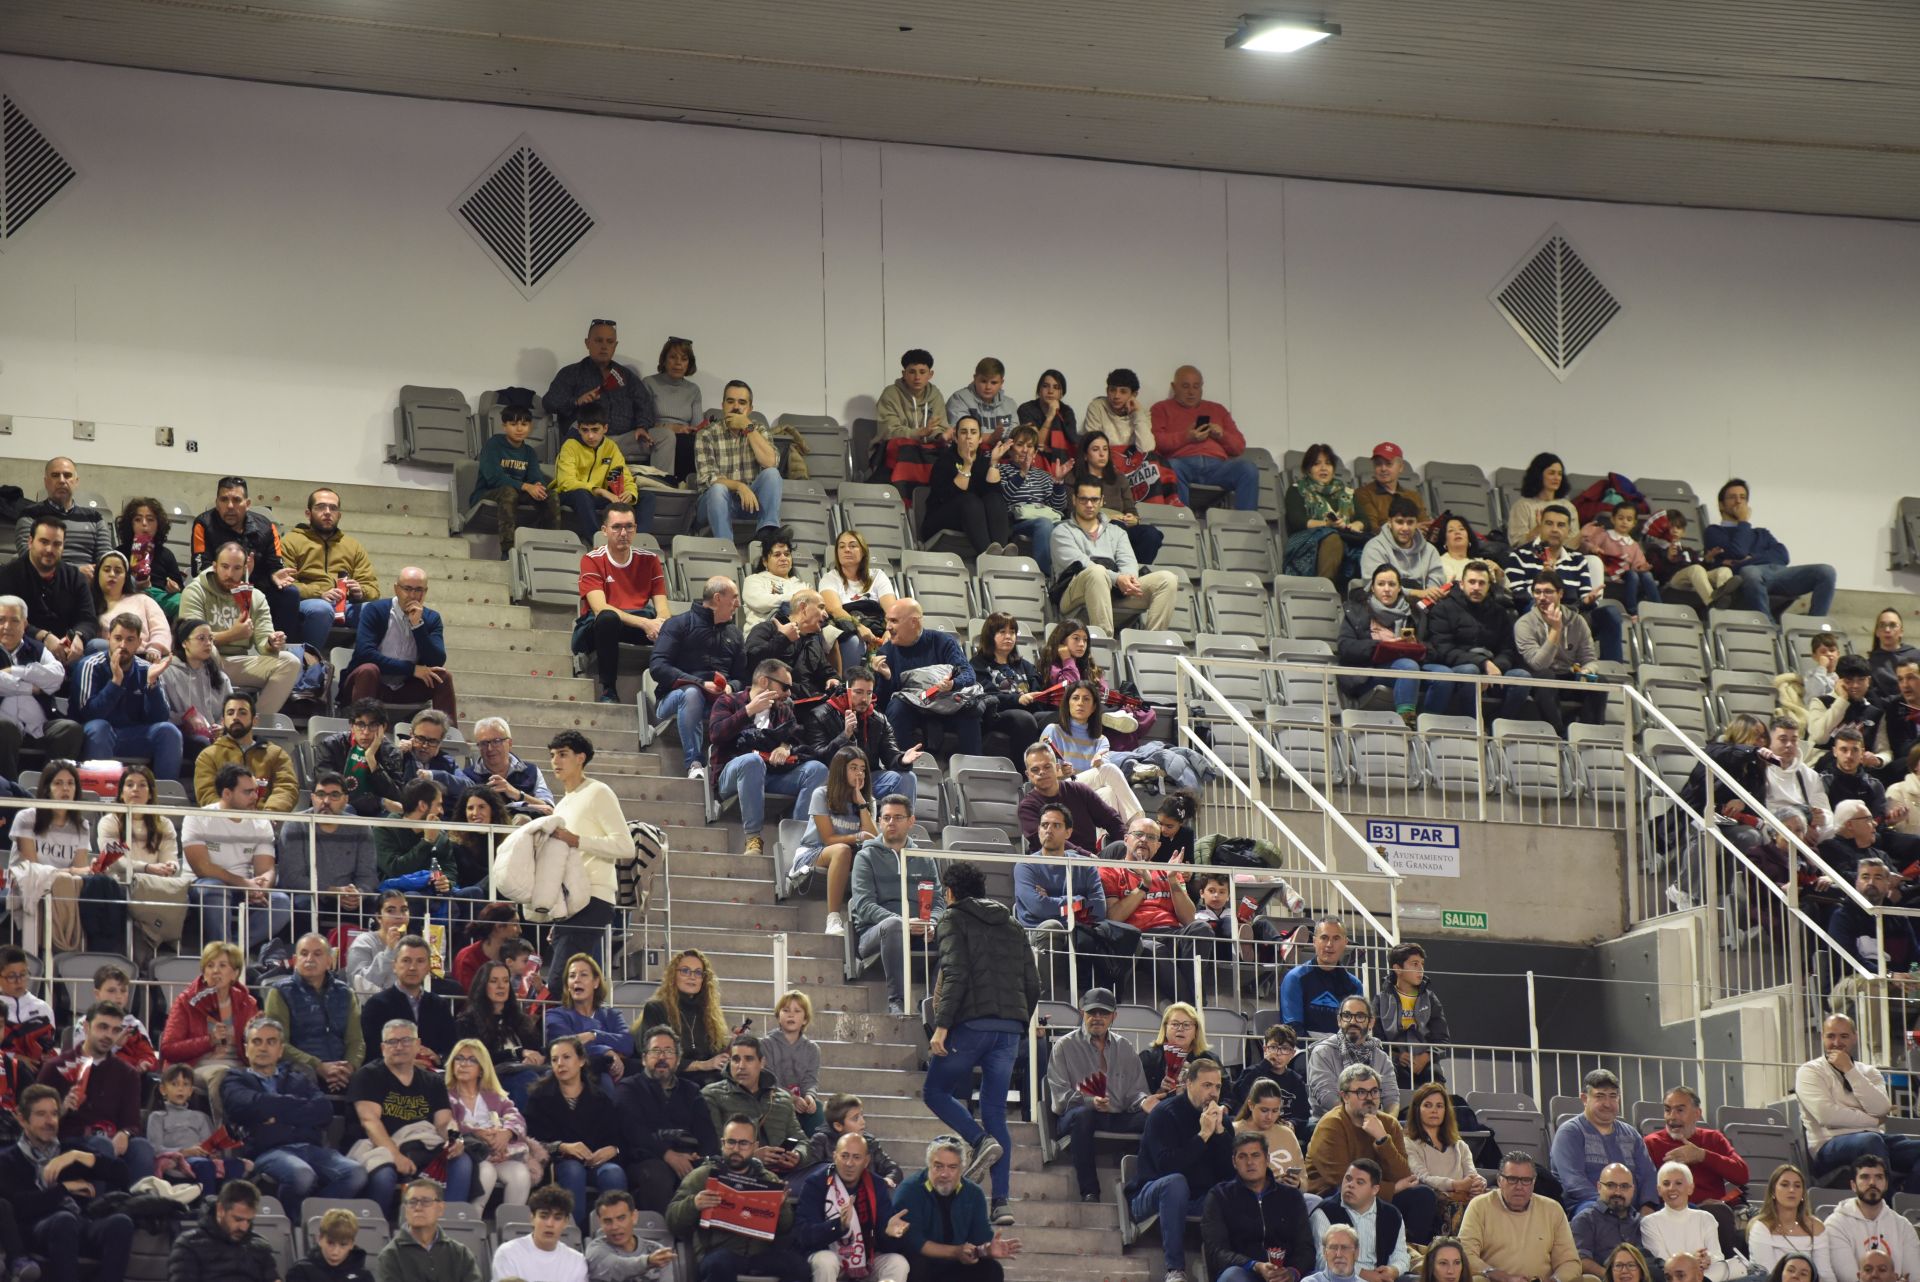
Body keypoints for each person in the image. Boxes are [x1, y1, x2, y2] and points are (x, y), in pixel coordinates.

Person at [923, 860, 1040, 1226]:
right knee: (995, 1111)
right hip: (1009, 1030)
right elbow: (1033, 983)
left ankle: (976, 1140)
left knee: (935, 1091)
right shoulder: (1013, 924)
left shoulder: (952, 918)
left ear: (950, 892)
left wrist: (942, 1027)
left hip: (971, 1026)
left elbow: (955, 972)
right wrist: (1018, 1020)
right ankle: (1001, 1203)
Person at [221, 1014, 368, 1215]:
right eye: (257, 1041)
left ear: (280, 1050)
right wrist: (297, 1107)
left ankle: (314, 1218)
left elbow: (323, 1111)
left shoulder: (298, 1077)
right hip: (268, 1152)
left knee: (356, 1173)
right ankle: (294, 1224)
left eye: (271, 1042)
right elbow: (245, 1105)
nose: (263, 1048)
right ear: (246, 1048)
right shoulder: (235, 1079)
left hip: (310, 1148)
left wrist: (275, 1115)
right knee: (302, 1174)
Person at [0, 1085, 132, 1281]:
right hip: (37, 1229)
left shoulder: (69, 1152)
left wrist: (78, 1156)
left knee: (121, 1223)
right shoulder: (8, 1159)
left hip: (78, 1224)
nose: (49, 1121)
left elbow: (122, 1174)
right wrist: (64, 1189)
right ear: (22, 1120)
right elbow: (19, 1206)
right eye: (41, 1114)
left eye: (54, 1114)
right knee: (63, 1220)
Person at [1127, 1055, 1238, 1282]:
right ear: (1189, 1084)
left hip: (1199, 1198)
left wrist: (1219, 1134)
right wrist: (1202, 1135)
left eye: (1217, 1086)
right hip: (1151, 1193)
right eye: (1207, 1085)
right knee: (1176, 1182)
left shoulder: (1221, 1121)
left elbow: (1229, 1173)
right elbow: (1166, 1166)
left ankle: (1229, 1269)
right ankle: (1174, 1269)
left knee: (1236, 1188)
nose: (1213, 1093)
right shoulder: (1165, 1114)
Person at [348, 1017, 474, 1212]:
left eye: (406, 1040)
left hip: (422, 1147)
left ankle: (447, 1226)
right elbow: (370, 1122)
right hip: (379, 1147)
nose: (399, 1047)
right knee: (384, 1176)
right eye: (392, 1042)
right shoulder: (368, 1076)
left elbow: (443, 1122)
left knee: (461, 1160)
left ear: (418, 1045)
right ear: (383, 1048)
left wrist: (455, 1139)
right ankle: (375, 1229)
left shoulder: (433, 1081)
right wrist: (396, 1155)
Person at [709, 657, 830, 860]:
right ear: (765, 681)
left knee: (817, 769)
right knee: (752, 761)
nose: (789, 693)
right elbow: (716, 735)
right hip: (732, 773)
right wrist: (748, 711)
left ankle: (797, 843)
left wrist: (786, 747)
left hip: (772, 775)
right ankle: (753, 838)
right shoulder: (729, 701)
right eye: (785, 687)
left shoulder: (783, 710)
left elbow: (796, 738)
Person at [1014, 799, 1140, 991]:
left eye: (1056, 825)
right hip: (1037, 934)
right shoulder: (1025, 865)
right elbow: (1037, 907)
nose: (1049, 830)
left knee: (1117, 934)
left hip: (1080, 933)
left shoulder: (1084, 864)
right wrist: (1079, 901)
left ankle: (1095, 1000)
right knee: (1053, 926)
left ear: (1068, 832)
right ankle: (1045, 998)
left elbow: (1098, 910)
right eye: (1044, 825)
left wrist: (1054, 902)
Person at [1305, 1064, 1438, 1245]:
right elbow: (1341, 1179)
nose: (1369, 1098)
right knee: (1347, 1195)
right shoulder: (1331, 1125)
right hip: (1336, 1194)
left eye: (1374, 1091)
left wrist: (1382, 1139)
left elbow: (1404, 1175)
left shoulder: (1388, 1124)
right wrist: (1393, 1189)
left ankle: (1409, 1252)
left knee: (1422, 1195)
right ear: (1344, 1096)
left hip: (1376, 1194)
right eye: (1361, 1092)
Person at [667, 1115, 804, 1282]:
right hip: (717, 1253)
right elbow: (672, 1220)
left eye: (743, 1143)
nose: (736, 1149)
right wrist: (694, 1204)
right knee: (720, 1262)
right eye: (731, 1142)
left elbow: (785, 1229)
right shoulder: (703, 1176)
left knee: (797, 1266)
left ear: (755, 1146)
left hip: (759, 1255)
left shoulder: (769, 1180)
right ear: (722, 1143)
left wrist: (781, 1207)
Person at [175, 539, 303, 717]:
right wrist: (232, 635)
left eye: (236, 568)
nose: (229, 573)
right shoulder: (195, 591)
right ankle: (213, 720)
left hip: (237, 663)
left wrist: (272, 642)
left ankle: (254, 723)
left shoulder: (255, 596)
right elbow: (190, 638)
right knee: (209, 650)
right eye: (225, 566)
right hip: (203, 662)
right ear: (214, 566)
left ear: (244, 569)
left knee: (290, 661)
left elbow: (263, 642)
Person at [1046, 987, 1151, 1202]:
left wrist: (1144, 1103)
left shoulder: (1125, 1047)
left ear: (1114, 1016)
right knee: (1084, 1115)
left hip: (1117, 1116)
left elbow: (1136, 1092)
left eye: (1103, 1013)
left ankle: (1140, 1189)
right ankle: (1090, 1191)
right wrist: (1089, 1101)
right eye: (1092, 1012)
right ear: (1082, 1012)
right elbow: (1059, 1098)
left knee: (1155, 1118)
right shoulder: (1064, 1046)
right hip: (1077, 1116)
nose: (1097, 1018)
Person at [1796, 1012, 1920, 1191]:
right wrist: (1873, 1121)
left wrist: (1849, 1070)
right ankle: (1885, 1205)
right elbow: (1827, 1116)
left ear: (1855, 1038)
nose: (1837, 1043)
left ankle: (1906, 1204)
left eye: (1844, 1036)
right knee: (1870, 1140)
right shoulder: (1809, 1071)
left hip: (1876, 1140)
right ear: (1822, 1037)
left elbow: (1881, 1108)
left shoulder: (1869, 1072)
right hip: (1829, 1147)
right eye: (1831, 1036)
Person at [34, 1002, 156, 1182]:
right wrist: (62, 1109)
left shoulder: (128, 1073)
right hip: (70, 1143)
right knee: (101, 1145)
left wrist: (126, 1133)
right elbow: (34, 1120)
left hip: (111, 1139)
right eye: (103, 1027)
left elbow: (132, 1123)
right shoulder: (55, 1067)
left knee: (143, 1148)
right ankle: (97, 1207)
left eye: (115, 1030)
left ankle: (137, 1206)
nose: (108, 1035)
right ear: (86, 1026)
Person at [184, 762, 294, 953]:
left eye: (256, 791)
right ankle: (224, 951)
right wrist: (244, 883)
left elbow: (266, 869)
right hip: (205, 886)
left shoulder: (261, 823)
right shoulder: (197, 817)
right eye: (248, 792)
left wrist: (261, 888)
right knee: (213, 888)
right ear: (227, 794)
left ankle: (229, 951)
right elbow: (202, 868)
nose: (255, 797)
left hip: (244, 889)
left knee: (282, 902)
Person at [848, 793, 942, 1014]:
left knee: (954, 930)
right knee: (893, 925)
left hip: (919, 930)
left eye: (898, 817)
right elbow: (863, 905)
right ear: (880, 821)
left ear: (911, 821)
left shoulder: (924, 857)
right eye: (886, 817)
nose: (891, 822)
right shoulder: (866, 856)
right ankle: (897, 1002)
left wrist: (932, 923)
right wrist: (904, 922)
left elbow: (937, 901)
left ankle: (931, 1002)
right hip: (875, 933)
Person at [528, 1037, 629, 1233]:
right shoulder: (540, 1097)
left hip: (596, 1162)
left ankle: (614, 1233)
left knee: (613, 1172)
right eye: (555, 1059)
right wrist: (562, 1147)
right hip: (560, 1162)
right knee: (573, 1170)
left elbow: (618, 1139)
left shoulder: (600, 1099)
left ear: (581, 1061)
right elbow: (532, 1140)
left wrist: (612, 1149)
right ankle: (575, 1235)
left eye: (566, 1057)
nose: (560, 1064)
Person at [651, 576, 747, 780]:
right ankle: (694, 763)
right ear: (718, 598)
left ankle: (732, 763)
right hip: (674, 699)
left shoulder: (735, 635)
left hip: (718, 702)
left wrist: (730, 686)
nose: (738, 604)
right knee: (693, 694)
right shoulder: (678, 624)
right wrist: (700, 683)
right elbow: (658, 667)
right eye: (734, 597)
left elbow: (742, 678)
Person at [1051, 478, 1179, 632]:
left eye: (1094, 499)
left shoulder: (1116, 531)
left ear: (1102, 501)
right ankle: (1104, 640)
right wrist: (1117, 579)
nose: (1089, 505)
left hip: (1114, 592)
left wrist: (1129, 579)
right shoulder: (1062, 531)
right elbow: (1082, 564)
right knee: (1096, 572)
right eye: (1083, 499)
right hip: (1074, 594)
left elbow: (1128, 560)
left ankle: (1152, 643)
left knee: (1167, 579)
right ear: (1074, 499)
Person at [618, 1024, 720, 1214]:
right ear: (643, 1058)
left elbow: (707, 1133)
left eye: (668, 1051)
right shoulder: (629, 1088)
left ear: (678, 1059)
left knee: (712, 1174)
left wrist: (701, 1156)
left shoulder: (691, 1090)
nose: (662, 1057)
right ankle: (665, 1236)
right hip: (644, 1159)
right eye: (656, 1051)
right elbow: (634, 1131)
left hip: (688, 1156)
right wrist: (668, 1155)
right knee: (658, 1174)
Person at [1505, 503, 1624, 664]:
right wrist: (1542, 581)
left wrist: (1588, 601)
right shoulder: (1520, 556)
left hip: (1572, 616)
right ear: (1540, 526)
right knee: (1536, 605)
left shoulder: (1577, 560)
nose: (1555, 529)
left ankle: (1611, 670)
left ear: (1568, 531)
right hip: (1535, 616)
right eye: (1549, 524)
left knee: (1611, 613)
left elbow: (1584, 601)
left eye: (1561, 525)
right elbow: (1518, 596)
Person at [891, 1135, 1021, 1282]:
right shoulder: (910, 1190)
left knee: (991, 1269)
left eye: (952, 1167)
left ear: (961, 1168)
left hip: (956, 1264)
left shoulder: (974, 1194)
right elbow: (914, 1242)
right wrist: (955, 1252)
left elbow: (980, 1240)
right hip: (921, 1264)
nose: (945, 1174)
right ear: (929, 1165)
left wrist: (988, 1250)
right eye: (938, 1166)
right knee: (917, 1264)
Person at [575, 503, 670, 703]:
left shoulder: (650, 560)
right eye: (617, 527)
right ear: (604, 531)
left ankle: (669, 690)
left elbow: (663, 609)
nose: (623, 532)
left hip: (637, 624)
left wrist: (660, 623)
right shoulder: (591, 560)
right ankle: (608, 689)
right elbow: (600, 608)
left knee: (679, 625)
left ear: (635, 529)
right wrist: (646, 624)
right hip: (599, 628)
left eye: (629, 527)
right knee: (608, 619)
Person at [1706, 479, 1837, 621]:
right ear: (1721, 505)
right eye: (1732, 497)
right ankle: (1768, 625)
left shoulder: (1761, 533)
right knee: (1750, 571)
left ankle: (1815, 625)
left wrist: (1750, 559)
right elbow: (1738, 552)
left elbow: (1783, 555)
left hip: (1777, 572)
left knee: (1826, 571)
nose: (1739, 501)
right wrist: (1743, 522)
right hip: (1748, 578)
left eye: (1743, 497)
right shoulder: (1714, 531)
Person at [1643, 1086, 1749, 1259]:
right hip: (1673, 1210)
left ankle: (1726, 1270)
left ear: (1697, 1113)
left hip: (1713, 1212)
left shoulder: (1713, 1138)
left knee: (1718, 1213)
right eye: (1667, 1110)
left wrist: (1703, 1155)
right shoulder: (1652, 1143)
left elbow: (1742, 1174)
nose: (1672, 1117)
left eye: (1680, 1110)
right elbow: (1648, 1187)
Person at [188, 475, 302, 634]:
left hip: (257, 590)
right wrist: (236, 575)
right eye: (224, 500)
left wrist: (276, 574)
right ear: (216, 503)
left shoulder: (266, 527)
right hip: (218, 589)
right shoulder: (204, 524)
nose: (230, 506)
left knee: (289, 593)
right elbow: (200, 569)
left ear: (247, 504)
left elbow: (275, 565)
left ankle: (280, 645)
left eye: (236, 500)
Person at [871, 598, 984, 755]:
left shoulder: (942, 641)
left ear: (914, 622)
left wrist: (953, 684)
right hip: (913, 709)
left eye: (894, 621)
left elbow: (968, 673)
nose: (888, 627)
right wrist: (886, 678)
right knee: (897, 707)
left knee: (971, 710)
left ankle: (973, 768)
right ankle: (902, 764)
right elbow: (882, 704)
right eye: (887, 621)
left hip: (946, 703)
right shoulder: (886, 653)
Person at [794, 1133, 911, 1282]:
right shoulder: (816, 1183)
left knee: (897, 1263)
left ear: (866, 1161)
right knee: (826, 1261)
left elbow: (885, 1243)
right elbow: (804, 1234)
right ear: (835, 1156)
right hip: (826, 1255)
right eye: (844, 1156)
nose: (849, 1163)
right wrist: (838, 1225)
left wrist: (890, 1234)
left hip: (865, 1260)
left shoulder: (876, 1185)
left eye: (856, 1157)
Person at [342, 564, 457, 716]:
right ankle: (361, 730)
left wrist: (418, 626)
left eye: (419, 590)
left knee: (442, 677)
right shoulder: (375, 610)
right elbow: (365, 654)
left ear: (426, 591)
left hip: (405, 687)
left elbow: (437, 660)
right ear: (396, 589)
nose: (413, 595)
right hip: (371, 684)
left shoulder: (431, 618)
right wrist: (412, 669)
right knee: (368, 670)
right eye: (407, 589)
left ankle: (447, 736)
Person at [263, 933, 365, 1094]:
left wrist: (348, 1068)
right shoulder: (281, 992)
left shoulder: (346, 993)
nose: (309, 959)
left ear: (329, 961)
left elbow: (356, 1041)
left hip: (340, 1070)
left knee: (370, 1078)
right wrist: (318, 1066)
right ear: (296, 960)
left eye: (317, 954)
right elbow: (279, 1043)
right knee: (303, 1076)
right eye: (304, 954)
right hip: (299, 1069)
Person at [279, 772, 380, 936]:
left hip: (347, 897)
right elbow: (292, 878)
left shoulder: (360, 826)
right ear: (312, 797)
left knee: (372, 903)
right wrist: (332, 891)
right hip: (311, 896)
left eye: (334, 795)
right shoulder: (295, 825)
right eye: (320, 795)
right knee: (303, 904)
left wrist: (358, 893)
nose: (326, 801)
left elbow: (368, 874)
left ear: (346, 799)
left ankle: (356, 957)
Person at [282, 487, 380, 652]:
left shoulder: (353, 546)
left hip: (346, 605)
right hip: (308, 603)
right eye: (320, 507)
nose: (327, 512)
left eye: (333, 508)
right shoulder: (291, 541)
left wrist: (360, 592)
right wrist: (320, 593)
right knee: (321, 609)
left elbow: (373, 589)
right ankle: (310, 661)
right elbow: (285, 585)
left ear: (339, 515)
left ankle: (363, 665)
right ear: (308, 513)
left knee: (380, 612)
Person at [1551, 1070, 1660, 1218]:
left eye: (1613, 1096)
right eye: (1600, 1096)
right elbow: (1574, 1182)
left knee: (1680, 1209)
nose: (1607, 1104)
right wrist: (1613, 1208)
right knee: (1593, 1214)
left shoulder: (1631, 1134)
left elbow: (1648, 1175)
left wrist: (1648, 1206)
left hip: (1632, 1208)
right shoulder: (1570, 1132)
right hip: (1588, 1206)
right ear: (1584, 1099)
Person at [1458, 1151, 1581, 1282]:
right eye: (1512, 1179)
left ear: (1533, 1182)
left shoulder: (1552, 1209)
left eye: (1526, 1180)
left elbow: (1569, 1262)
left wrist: (1555, 1280)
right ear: (1499, 1180)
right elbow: (1465, 1254)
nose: (1519, 1186)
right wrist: (1499, 1275)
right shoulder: (1480, 1206)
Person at [1150, 365, 1260, 510]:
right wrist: (1186, 437)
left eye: (1196, 387)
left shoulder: (1218, 409)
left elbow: (1239, 446)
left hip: (1218, 467)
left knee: (1248, 469)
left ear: (1202, 387)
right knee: (1171, 467)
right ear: (1174, 387)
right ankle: (1183, 522)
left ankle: (1246, 525)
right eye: (1185, 386)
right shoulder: (1161, 408)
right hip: (1182, 464)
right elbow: (1155, 443)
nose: (1191, 392)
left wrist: (1222, 435)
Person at [1512, 571, 1610, 733]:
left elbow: (1589, 659)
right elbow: (1538, 663)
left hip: (1567, 676)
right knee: (1546, 676)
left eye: (1548, 592)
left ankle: (1589, 734)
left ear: (1560, 593)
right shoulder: (1524, 624)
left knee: (1600, 681)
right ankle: (1558, 734)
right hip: (1539, 678)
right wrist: (1556, 630)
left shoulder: (1577, 621)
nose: (1542, 597)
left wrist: (1587, 671)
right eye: (1537, 592)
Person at [0, 592, 84, 776]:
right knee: (4, 727)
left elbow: (56, 677)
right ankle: (8, 792)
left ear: (25, 624)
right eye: (1, 620)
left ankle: (49, 788)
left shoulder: (37, 649)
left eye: (14, 620)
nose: (7, 627)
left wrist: (15, 671)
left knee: (70, 729)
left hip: (39, 725)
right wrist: (31, 687)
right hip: (4, 727)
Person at [545, 318, 657, 455]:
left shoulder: (626, 376)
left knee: (664, 437)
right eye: (598, 340)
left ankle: (664, 477)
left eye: (609, 342)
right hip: (587, 440)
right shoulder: (571, 373)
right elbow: (549, 403)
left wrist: (642, 426)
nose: (604, 346)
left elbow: (645, 405)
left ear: (615, 346)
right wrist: (576, 401)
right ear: (587, 343)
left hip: (623, 440)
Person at [1040, 681, 1147, 823]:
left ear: (1093, 707)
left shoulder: (1101, 740)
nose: (1080, 703)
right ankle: (1138, 823)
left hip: (1085, 797)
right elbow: (1040, 773)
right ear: (1068, 704)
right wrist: (1061, 772)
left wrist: (1100, 762)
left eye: (1086, 699)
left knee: (1108, 793)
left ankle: (1104, 842)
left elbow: (1106, 779)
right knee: (1108, 770)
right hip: (1058, 794)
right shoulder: (1053, 730)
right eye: (1075, 698)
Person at [0, 515, 98, 670]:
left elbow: (88, 619)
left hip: (68, 650)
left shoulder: (75, 577)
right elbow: (6, 622)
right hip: (23, 645)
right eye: (44, 542)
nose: (49, 550)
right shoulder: (8, 575)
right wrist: (43, 636)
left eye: (57, 544)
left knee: (96, 647)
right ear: (30, 542)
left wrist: (78, 637)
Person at [701, 1034, 806, 1177]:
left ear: (761, 1063)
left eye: (749, 1059)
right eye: (736, 1059)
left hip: (781, 1173)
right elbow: (712, 1148)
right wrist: (751, 1156)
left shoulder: (782, 1098)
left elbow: (802, 1140)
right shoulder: (712, 1095)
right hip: (736, 1173)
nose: (741, 1066)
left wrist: (797, 1155)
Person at [1338, 566, 1430, 724]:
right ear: (1372, 588)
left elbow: (1431, 647)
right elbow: (1345, 647)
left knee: (1441, 675)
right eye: (1381, 584)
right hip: (1367, 672)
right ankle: (1406, 722)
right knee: (1408, 667)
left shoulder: (1413, 613)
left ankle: (1429, 723)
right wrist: (1381, 645)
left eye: (1392, 584)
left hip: (1406, 665)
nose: (1386, 589)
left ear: (1399, 588)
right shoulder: (1356, 611)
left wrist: (1415, 645)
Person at [161, 939, 259, 1086]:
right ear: (204, 973)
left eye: (222, 965)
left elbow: (252, 1048)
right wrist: (209, 1040)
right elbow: (168, 1050)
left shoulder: (247, 1003)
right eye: (210, 965)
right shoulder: (186, 1002)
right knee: (223, 1076)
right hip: (197, 1068)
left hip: (240, 1068)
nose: (215, 971)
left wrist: (254, 1034)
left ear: (235, 973)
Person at [696, 379, 783, 543]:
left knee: (772, 474)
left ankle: (767, 534)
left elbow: (771, 462)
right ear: (723, 405)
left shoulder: (758, 430)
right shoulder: (706, 434)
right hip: (714, 503)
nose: (736, 407)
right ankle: (725, 546)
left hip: (749, 503)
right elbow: (708, 478)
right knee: (718, 489)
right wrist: (739, 486)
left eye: (742, 402)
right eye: (730, 401)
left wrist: (748, 427)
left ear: (750, 409)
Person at [475, 399, 563, 557]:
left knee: (550, 495)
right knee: (509, 491)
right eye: (513, 424)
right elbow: (494, 478)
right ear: (504, 426)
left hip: (518, 492)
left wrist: (538, 486)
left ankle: (551, 547)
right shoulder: (493, 444)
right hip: (489, 491)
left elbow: (536, 477)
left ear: (530, 427)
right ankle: (507, 551)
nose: (519, 429)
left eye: (524, 424)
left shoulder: (529, 451)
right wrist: (526, 487)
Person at [920, 415, 1014, 557]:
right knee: (969, 500)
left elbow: (994, 494)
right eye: (964, 432)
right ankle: (988, 557)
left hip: (974, 520)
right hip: (941, 519)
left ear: (980, 439)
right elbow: (950, 495)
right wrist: (967, 464)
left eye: (973, 432)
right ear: (956, 438)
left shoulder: (983, 461)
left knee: (994, 499)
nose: (968, 437)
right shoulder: (945, 460)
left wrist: (994, 463)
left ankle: (999, 552)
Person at [639, 949, 732, 1089]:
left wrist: (731, 1046)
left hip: (708, 1081)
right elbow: (656, 1055)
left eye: (698, 972)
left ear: (703, 979)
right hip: (671, 1079)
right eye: (685, 971)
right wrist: (703, 1065)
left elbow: (715, 1054)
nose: (692, 977)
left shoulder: (709, 1012)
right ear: (673, 976)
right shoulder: (656, 1008)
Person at [192, 688, 298, 808]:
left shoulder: (276, 754)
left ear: (255, 720)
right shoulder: (208, 756)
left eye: (242, 712)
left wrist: (269, 815)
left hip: (265, 822)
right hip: (223, 823)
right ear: (222, 721)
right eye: (230, 713)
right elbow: (206, 793)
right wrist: (231, 817)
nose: (235, 717)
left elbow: (286, 787)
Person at [363, 932, 459, 1064]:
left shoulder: (439, 1005)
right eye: (406, 961)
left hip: (433, 1077)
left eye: (420, 961)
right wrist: (405, 1063)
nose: (413, 968)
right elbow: (370, 1053)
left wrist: (438, 1058)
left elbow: (451, 1048)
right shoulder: (376, 1005)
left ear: (428, 967)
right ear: (394, 966)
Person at [1309, 1157, 1412, 1281]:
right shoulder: (1325, 1212)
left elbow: (1401, 1254)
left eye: (1360, 1182)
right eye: (1348, 1179)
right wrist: (1363, 1275)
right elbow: (1323, 1260)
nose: (1350, 1185)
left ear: (1375, 1189)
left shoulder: (1392, 1214)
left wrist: (1393, 1270)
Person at [460, 959, 545, 1107]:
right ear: (483, 986)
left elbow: (535, 1050)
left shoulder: (520, 1020)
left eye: (506, 981)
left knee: (553, 1076)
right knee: (526, 1078)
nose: (501, 986)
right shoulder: (468, 1021)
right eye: (494, 981)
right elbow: (476, 1058)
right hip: (492, 1077)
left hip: (526, 1070)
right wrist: (518, 1053)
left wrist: (536, 1057)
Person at [1825, 1152, 1920, 1282]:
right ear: (1853, 1185)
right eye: (1865, 1177)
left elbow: (1914, 1277)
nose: (1872, 1183)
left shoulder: (1903, 1226)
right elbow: (1849, 1278)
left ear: (1886, 1184)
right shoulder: (1836, 1224)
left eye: (1879, 1177)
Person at [1073, 428, 1164, 564]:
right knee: (1115, 526)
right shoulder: (1074, 478)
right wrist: (1105, 517)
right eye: (1096, 449)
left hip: (1121, 528)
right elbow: (1072, 509)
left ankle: (1135, 573)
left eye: (1105, 449)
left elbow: (1131, 510)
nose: (1102, 454)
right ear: (1085, 455)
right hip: (1089, 529)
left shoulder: (1119, 478)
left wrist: (1134, 519)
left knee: (1151, 534)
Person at [1405, 1085, 1486, 1238]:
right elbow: (1422, 1177)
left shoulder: (1460, 1145)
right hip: (1434, 1201)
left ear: (1445, 1111)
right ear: (1417, 1110)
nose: (1434, 1110)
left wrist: (1479, 1183)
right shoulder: (1409, 1143)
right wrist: (1455, 1185)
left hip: (1463, 1196)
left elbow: (1472, 1175)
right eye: (1428, 1105)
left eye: (1439, 1106)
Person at [1639, 1162, 1740, 1282]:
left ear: (1690, 1188)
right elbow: (1661, 1263)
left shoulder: (1706, 1218)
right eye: (1666, 1183)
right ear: (1659, 1190)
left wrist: (1707, 1259)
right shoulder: (1649, 1223)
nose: (1672, 1188)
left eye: (1678, 1183)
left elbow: (1718, 1257)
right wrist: (1692, 1262)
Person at [1305, 997, 1401, 1120]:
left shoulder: (1381, 1058)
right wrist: (1357, 1121)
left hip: (1371, 1122)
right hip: (1329, 1121)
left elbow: (1391, 1097)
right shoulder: (1322, 1052)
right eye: (1347, 1015)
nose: (1352, 1021)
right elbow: (1326, 1096)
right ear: (1339, 1020)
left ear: (1371, 1022)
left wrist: (1389, 1123)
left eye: (1360, 1016)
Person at [168, 1178, 280, 1282]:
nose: (244, 1227)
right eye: (238, 1219)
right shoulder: (189, 1245)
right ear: (221, 1209)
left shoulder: (260, 1247)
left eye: (249, 1220)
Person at [376, 1174, 483, 1282]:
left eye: (426, 1201)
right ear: (405, 1209)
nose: (418, 1207)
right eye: (412, 1202)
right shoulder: (391, 1255)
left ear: (440, 1208)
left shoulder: (460, 1254)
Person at [557, 402, 638, 545]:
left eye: (595, 430)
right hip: (570, 494)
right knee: (581, 493)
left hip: (597, 496)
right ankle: (598, 542)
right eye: (585, 430)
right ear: (579, 429)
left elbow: (621, 475)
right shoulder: (570, 445)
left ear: (605, 428)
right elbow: (566, 482)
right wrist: (600, 491)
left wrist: (630, 492)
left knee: (647, 497)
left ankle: (633, 542)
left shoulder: (611, 447)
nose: (590, 436)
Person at [818, 530, 899, 674]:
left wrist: (889, 630)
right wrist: (858, 627)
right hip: (848, 628)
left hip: (878, 625)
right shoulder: (830, 578)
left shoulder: (878, 576)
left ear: (863, 551)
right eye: (841, 547)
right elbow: (834, 610)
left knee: (896, 640)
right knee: (854, 642)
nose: (847, 550)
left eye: (852, 545)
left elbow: (892, 610)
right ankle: (849, 689)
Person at [1373, 943, 1450, 1089]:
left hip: (1427, 1063)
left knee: (1436, 1078)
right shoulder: (1380, 1000)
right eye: (1415, 964)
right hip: (1393, 1063)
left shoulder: (1431, 999)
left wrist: (1426, 1057)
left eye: (1422, 964)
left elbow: (1442, 1038)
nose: (1420, 969)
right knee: (1392, 1079)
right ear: (1397, 969)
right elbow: (1376, 1038)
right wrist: (1396, 1056)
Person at [1285, 444, 1365, 584]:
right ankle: (1323, 590)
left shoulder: (1347, 493)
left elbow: (1364, 520)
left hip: (1344, 536)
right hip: (1307, 541)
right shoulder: (1297, 490)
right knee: (1332, 538)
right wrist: (1327, 525)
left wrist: (1354, 525)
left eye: (1328, 464)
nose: (1323, 468)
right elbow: (1297, 521)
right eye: (1317, 464)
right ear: (1308, 469)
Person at [14, 456, 113, 569]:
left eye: (67, 475)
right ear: (46, 482)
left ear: (76, 482)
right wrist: (76, 574)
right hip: (45, 583)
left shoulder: (95, 518)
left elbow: (106, 560)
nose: (61, 480)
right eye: (55, 475)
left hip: (89, 582)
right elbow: (31, 560)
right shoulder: (30, 515)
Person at [997, 424, 1069, 578]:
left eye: (1030, 446)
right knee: (1043, 523)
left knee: (1070, 526)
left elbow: (1057, 507)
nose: (1025, 450)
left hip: (1044, 518)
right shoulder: (1001, 470)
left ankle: (1069, 575)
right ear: (1010, 449)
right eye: (1020, 444)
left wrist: (1058, 483)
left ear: (1035, 452)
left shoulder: (1043, 475)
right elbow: (1002, 498)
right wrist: (1022, 473)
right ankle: (1044, 576)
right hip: (1017, 522)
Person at [160, 615, 232, 767]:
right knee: (203, 745)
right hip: (181, 734)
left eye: (211, 639)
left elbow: (230, 709)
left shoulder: (219, 676)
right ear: (185, 643)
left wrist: (222, 726)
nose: (208, 644)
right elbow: (160, 713)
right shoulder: (166, 671)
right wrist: (184, 718)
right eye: (201, 638)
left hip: (215, 736)